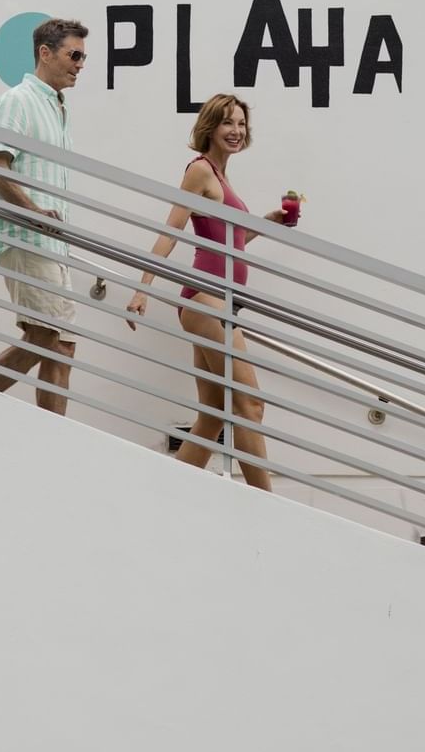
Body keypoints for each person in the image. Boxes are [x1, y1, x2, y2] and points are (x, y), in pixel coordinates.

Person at [124, 94, 298, 491]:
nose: (236, 131)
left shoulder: (221, 176)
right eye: (227, 123)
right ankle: (266, 504)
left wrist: (265, 223)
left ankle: (174, 490)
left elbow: (231, 243)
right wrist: (142, 288)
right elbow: (171, 231)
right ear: (210, 127)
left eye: (241, 123)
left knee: (214, 414)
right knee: (250, 404)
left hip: (222, 301)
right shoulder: (200, 171)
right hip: (206, 297)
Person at [0, 17, 88, 415]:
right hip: (26, 236)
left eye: (83, 57)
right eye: (73, 55)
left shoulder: (56, 106)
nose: (80, 64)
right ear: (45, 53)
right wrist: (34, 212)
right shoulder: (19, 100)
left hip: (51, 242)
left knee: (63, 344)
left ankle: (54, 438)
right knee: (45, 337)